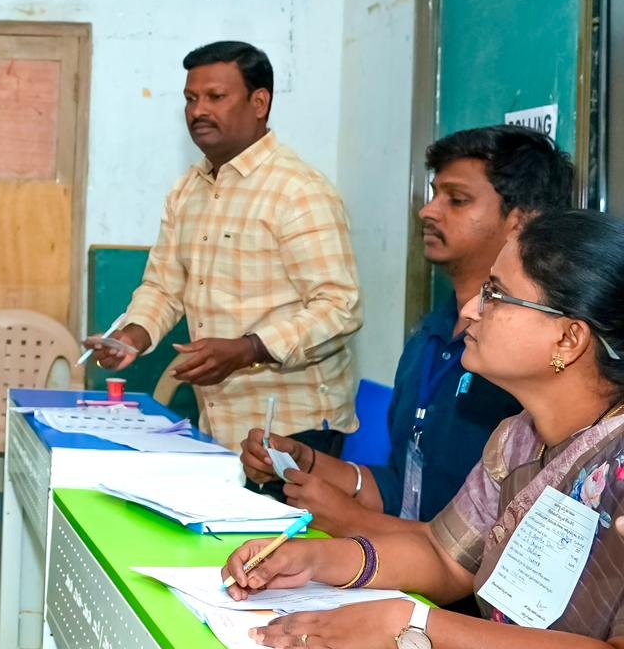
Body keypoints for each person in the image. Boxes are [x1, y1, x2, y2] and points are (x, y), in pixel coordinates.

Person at [224, 209, 624, 649]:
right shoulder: (517, 439)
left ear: (568, 337)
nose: (471, 307)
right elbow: (445, 554)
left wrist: (417, 631)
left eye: (498, 294)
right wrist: (321, 560)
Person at [241, 125, 573, 534]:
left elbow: (492, 547)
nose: (428, 211)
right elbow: (407, 489)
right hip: (404, 567)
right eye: (434, 194)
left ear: (520, 223)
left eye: (457, 199)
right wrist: (307, 463)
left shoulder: (531, 359)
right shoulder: (430, 336)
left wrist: (355, 524)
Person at [88, 40, 362, 458]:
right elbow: (163, 286)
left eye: (215, 97)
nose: (198, 111)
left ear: (259, 102)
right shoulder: (187, 191)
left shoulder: (299, 191)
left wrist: (248, 349)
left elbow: (339, 307)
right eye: (190, 99)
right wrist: (133, 336)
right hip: (220, 425)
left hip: (295, 432)